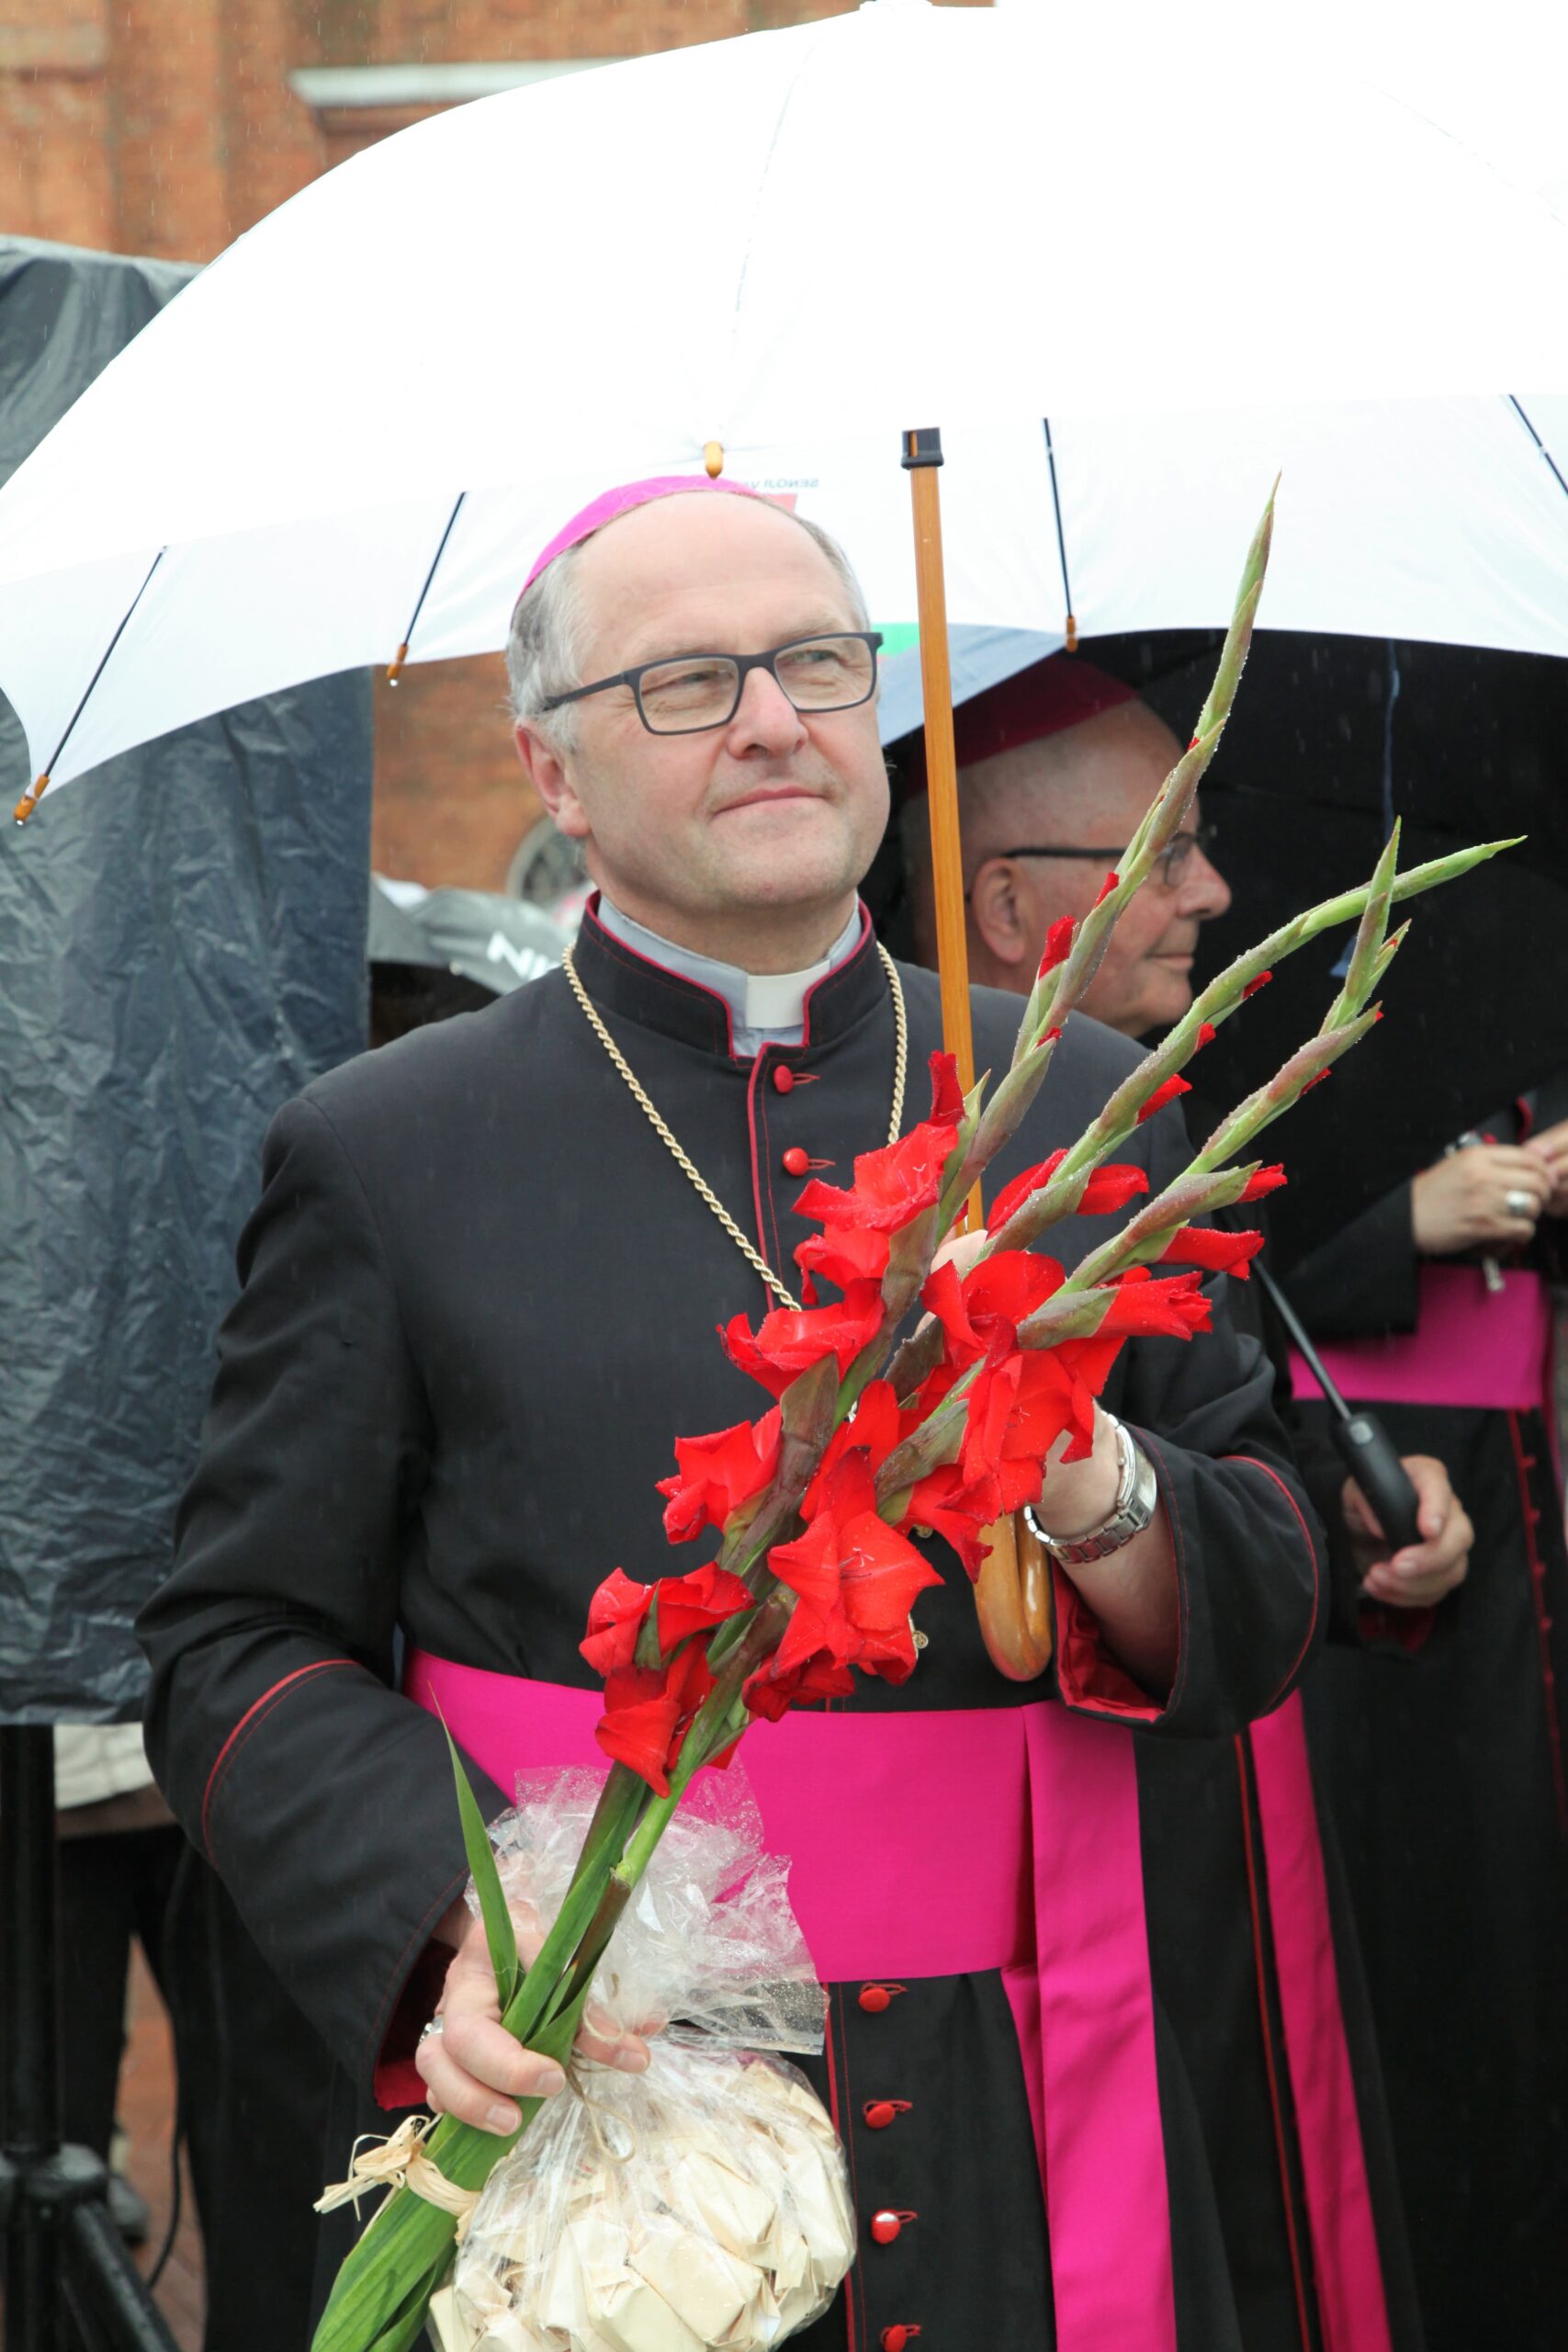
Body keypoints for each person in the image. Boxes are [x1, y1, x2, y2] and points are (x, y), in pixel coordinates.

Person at [141, 481, 1330, 2352]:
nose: (773, 718)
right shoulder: (386, 1147)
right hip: (596, 2079)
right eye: (687, 682)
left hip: (1022, 2086)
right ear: (550, 770)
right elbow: (235, 1641)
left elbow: (1264, 1583)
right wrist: (465, 1909)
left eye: (817, 663)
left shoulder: (1080, 1103)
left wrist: (1086, 1470)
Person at [904, 651, 1478, 2352]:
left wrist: (1347, 1538)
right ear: (1007, 905)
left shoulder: (1157, 1115)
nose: (1215, 894)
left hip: (1237, 1827)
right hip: (1064, 1893)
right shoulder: (920, 1157)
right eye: (1164, 855)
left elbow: (1222, 1447)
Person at [1285, 1091, 1568, 2352]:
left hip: (1513, 1506)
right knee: (1392, 1948)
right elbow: (1222, 1288)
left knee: (1517, 1920)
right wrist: (1398, 1222)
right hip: (1335, 1490)